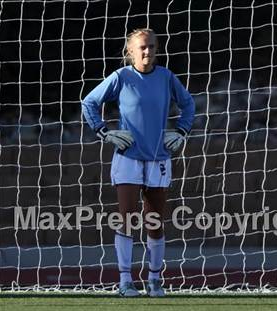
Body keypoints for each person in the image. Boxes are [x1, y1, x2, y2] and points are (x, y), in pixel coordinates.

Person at [81, 28, 195, 297]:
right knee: (127, 218)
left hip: (159, 159)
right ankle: (125, 281)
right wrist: (104, 131)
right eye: (142, 47)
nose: (147, 52)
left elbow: (189, 105)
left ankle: (154, 280)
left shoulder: (166, 77)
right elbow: (89, 102)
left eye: (152, 47)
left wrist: (181, 131)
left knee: (154, 221)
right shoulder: (121, 77)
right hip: (128, 158)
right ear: (130, 51)